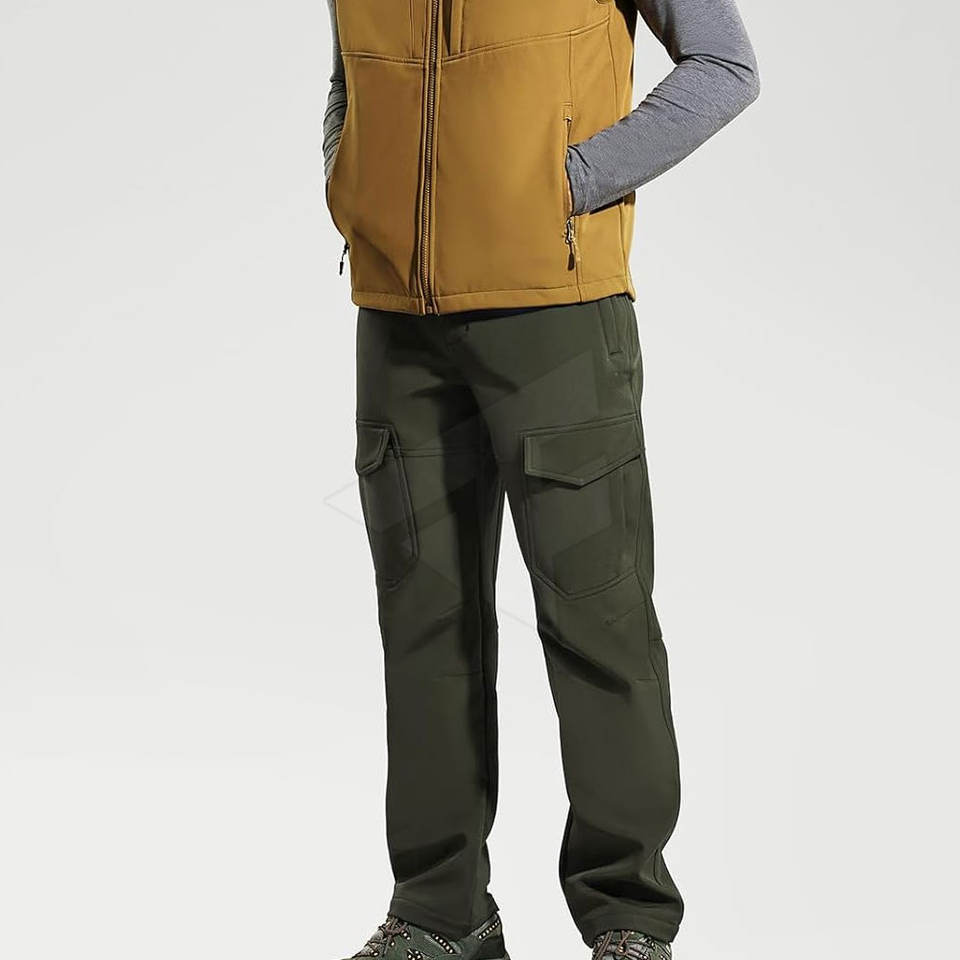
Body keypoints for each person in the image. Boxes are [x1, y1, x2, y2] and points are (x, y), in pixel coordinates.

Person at [322, 2, 759, 958]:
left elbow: (725, 65)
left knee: (596, 617)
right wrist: (351, 178)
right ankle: (440, 918)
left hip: (557, 315)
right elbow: (352, 68)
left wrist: (569, 180)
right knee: (423, 621)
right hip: (396, 317)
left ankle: (629, 920)